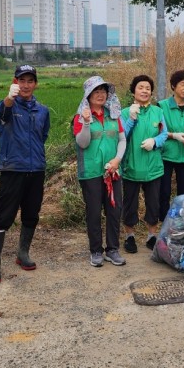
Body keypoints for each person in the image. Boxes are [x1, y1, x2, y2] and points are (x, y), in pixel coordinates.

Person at [0, 65, 50, 284]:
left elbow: (43, 135)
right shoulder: (7, 107)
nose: (25, 85)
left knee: (31, 213)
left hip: (36, 169)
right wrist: (8, 100)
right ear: (15, 82)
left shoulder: (42, 110)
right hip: (13, 169)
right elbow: (1, 115)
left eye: (30, 81)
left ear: (35, 84)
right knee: (4, 215)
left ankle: (23, 253)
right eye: (21, 81)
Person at [73, 76, 127, 267]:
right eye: (96, 91)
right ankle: (96, 251)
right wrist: (87, 122)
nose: (100, 95)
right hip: (91, 172)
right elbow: (82, 143)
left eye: (103, 91)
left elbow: (122, 140)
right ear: (88, 95)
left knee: (115, 210)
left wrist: (117, 160)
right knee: (94, 212)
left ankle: (112, 249)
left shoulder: (114, 115)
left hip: (113, 171)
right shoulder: (81, 116)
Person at [121, 74, 167, 254]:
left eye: (147, 88)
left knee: (153, 204)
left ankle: (151, 236)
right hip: (131, 167)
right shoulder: (126, 112)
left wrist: (155, 142)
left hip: (154, 167)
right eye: (141, 87)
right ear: (133, 90)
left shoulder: (158, 112)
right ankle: (129, 236)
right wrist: (131, 119)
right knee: (130, 204)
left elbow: (164, 134)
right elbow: (122, 136)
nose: (144, 91)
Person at [158, 69, 184, 219]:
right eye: (182, 84)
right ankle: (163, 219)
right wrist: (174, 136)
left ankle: (180, 220)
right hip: (166, 154)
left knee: (183, 192)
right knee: (164, 191)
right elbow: (157, 131)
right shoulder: (161, 106)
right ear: (173, 86)